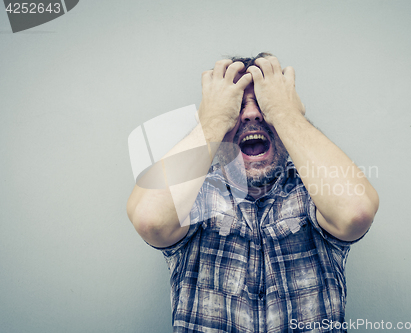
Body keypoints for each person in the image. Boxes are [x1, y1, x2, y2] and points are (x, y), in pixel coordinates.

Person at [126, 53, 379, 332]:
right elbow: (150, 218)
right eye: (236, 107)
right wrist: (212, 120)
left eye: (264, 104)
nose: (251, 114)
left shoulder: (315, 191)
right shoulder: (193, 193)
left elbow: (356, 211)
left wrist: (285, 113)